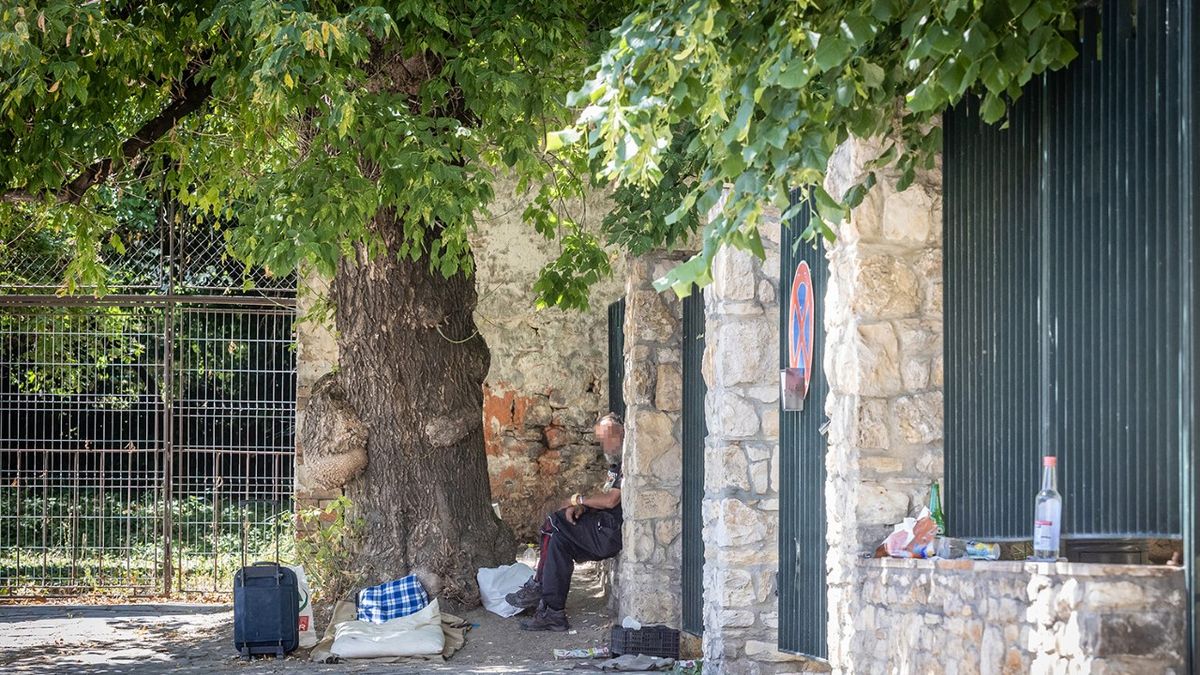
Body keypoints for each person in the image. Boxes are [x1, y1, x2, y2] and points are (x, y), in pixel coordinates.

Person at [506, 413, 624, 632]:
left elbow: (611, 501)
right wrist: (583, 506)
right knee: (558, 541)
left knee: (555, 521)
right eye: (602, 440)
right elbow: (605, 496)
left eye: (609, 438)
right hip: (602, 526)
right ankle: (553, 613)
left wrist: (576, 500)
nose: (605, 445)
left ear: (621, 433)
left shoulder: (629, 460)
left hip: (609, 532)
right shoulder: (616, 464)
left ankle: (539, 584)